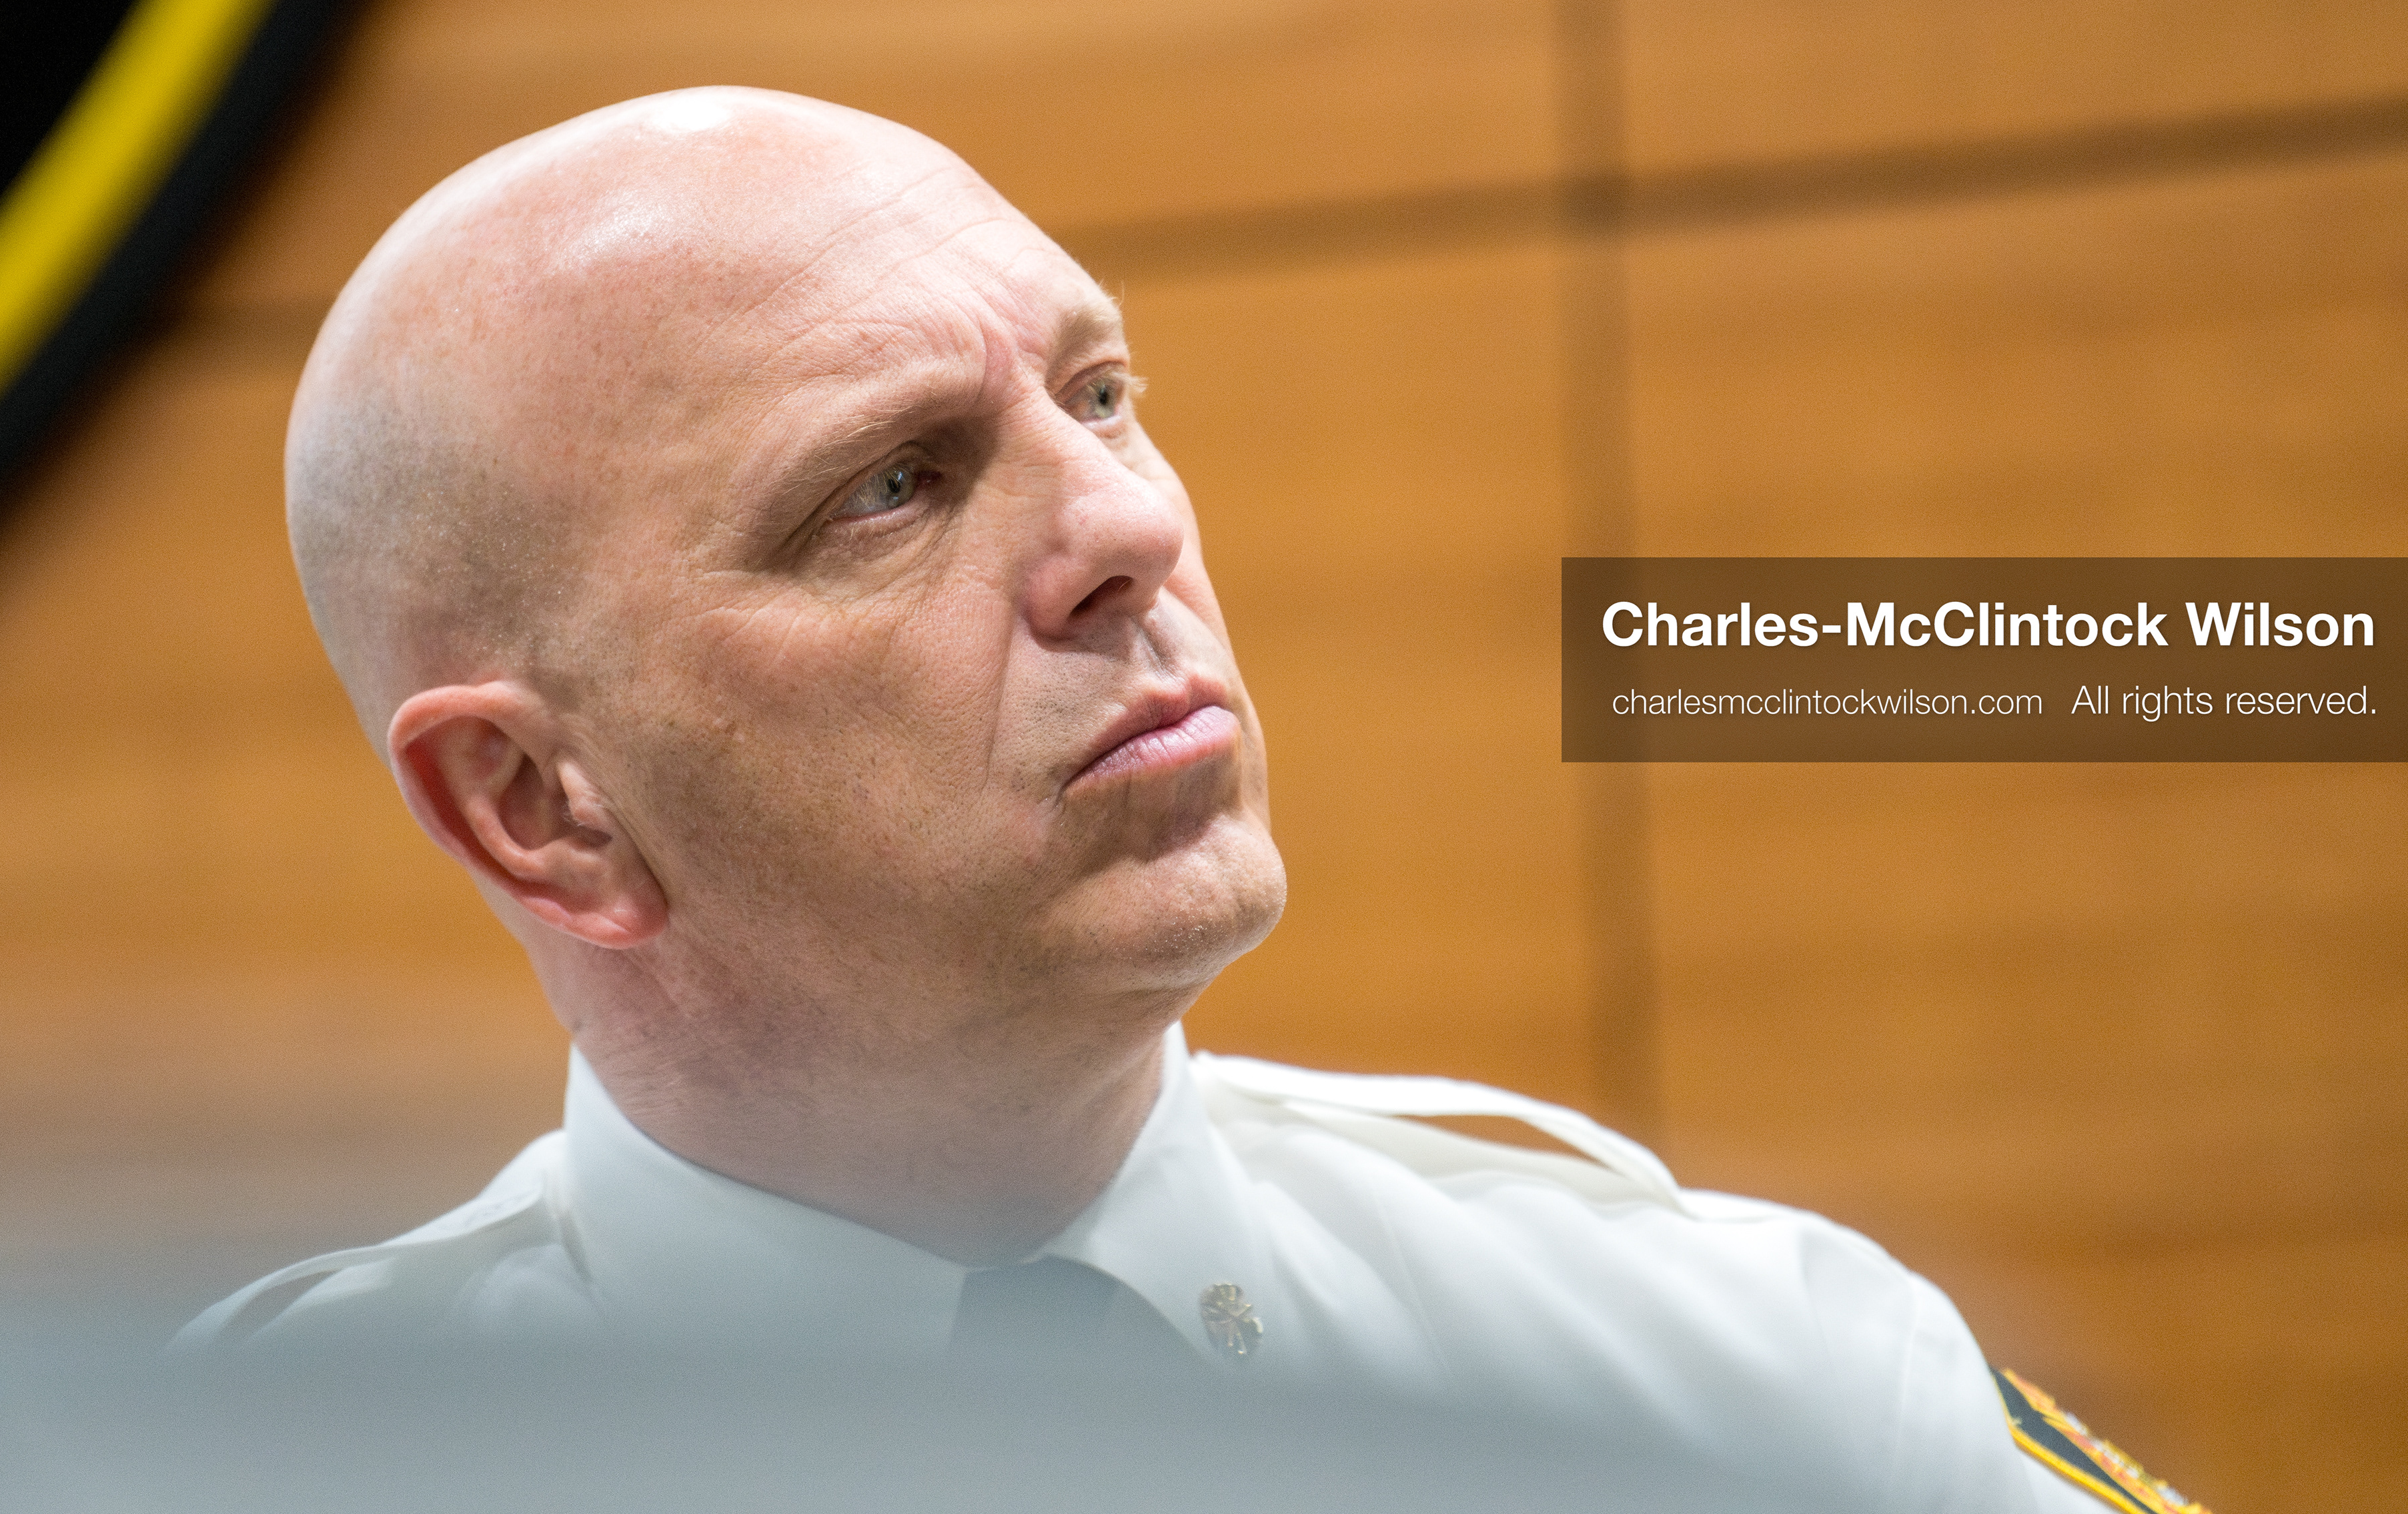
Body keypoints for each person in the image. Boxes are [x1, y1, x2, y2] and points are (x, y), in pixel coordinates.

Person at [180, 88, 2189, 1513]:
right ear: (542, 805)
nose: (1126, 526)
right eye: (890, 487)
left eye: (1102, 394)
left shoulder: (1751, 1387)